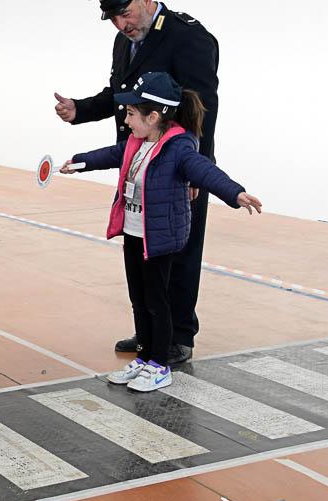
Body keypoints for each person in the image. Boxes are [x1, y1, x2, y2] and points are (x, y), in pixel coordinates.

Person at [54, 0, 219, 364]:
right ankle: (148, 332)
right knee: (142, 252)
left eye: (125, 14)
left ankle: (179, 336)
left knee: (178, 251)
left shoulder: (187, 36)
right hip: (138, 164)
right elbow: (120, 96)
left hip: (178, 166)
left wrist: (197, 168)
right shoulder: (124, 42)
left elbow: (203, 109)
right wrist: (81, 109)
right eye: (113, 19)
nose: (121, 25)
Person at [61, 72, 261, 392]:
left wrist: (235, 194)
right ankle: (143, 358)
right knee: (138, 300)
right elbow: (111, 154)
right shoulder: (138, 143)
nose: (126, 121)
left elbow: (205, 171)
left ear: (153, 117)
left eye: (130, 114)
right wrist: (80, 162)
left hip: (160, 237)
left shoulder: (178, 148)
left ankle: (159, 365)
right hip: (134, 233)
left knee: (157, 302)